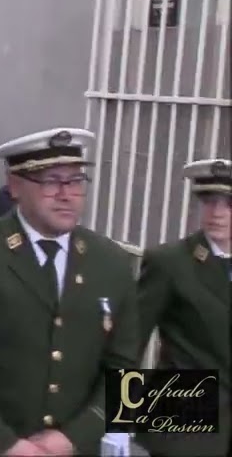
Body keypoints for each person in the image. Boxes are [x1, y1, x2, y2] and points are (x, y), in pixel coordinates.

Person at [0, 127, 138, 457]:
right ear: (14, 186)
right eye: (51, 181)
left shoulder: (111, 261)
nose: (66, 194)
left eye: (76, 181)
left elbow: (124, 366)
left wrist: (75, 437)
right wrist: (3, 444)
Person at [135, 157, 230, 457]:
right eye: (209, 201)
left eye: (229, 203)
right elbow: (128, 342)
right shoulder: (170, 261)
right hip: (185, 418)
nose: (216, 213)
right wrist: (117, 425)